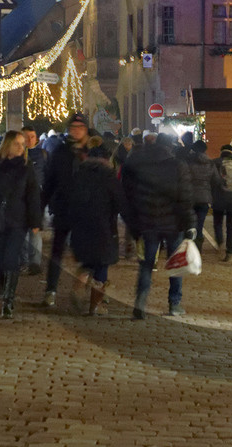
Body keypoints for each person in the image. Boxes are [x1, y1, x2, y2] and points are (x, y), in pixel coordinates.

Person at [120, 132, 194, 318]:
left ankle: (140, 303)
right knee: (175, 264)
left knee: (146, 265)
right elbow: (185, 196)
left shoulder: (141, 165)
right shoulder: (178, 165)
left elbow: (131, 194)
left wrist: (134, 222)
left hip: (148, 222)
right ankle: (174, 304)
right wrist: (190, 223)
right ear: (169, 146)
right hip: (173, 223)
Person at [0, 130, 43, 318]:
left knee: (11, 258)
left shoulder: (26, 166)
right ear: (7, 145)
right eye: (17, 144)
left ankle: (8, 299)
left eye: (23, 144)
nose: (21, 148)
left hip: (18, 219)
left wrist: (35, 220)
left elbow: (33, 195)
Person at [39, 112, 94, 307]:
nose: (76, 131)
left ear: (86, 130)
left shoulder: (95, 151)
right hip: (64, 208)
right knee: (57, 251)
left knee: (88, 252)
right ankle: (51, 290)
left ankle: (80, 285)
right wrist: (40, 208)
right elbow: (50, 182)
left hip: (88, 212)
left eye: (80, 128)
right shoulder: (60, 152)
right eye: (73, 128)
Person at [67, 144, 121, 315]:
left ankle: (80, 283)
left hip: (82, 226)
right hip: (104, 226)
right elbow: (120, 201)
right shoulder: (109, 176)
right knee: (102, 265)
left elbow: (70, 199)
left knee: (87, 262)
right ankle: (94, 306)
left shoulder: (78, 174)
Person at [180, 137, 214, 244]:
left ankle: (188, 245)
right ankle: (198, 247)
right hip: (204, 198)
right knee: (200, 224)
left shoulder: (187, 160)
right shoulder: (210, 163)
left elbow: (182, 177)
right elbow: (216, 180)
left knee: (189, 223)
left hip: (189, 196)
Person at [22, 126, 46, 273]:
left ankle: (35, 263)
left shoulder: (42, 154)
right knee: (22, 229)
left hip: (37, 197)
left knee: (35, 229)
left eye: (32, 136)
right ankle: (24, 261)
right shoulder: (17, 154)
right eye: (27, 136)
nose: (30, 140)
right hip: (20, 197)